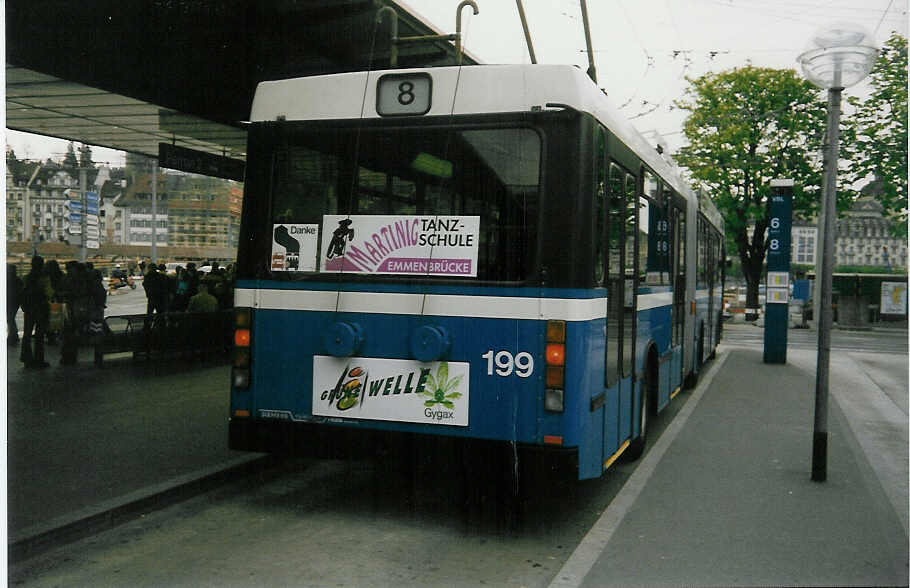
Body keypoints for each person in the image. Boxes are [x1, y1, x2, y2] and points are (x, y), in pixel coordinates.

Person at [20, 255, 53, 368]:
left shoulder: (26, 277)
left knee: (27, 334)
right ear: (42, 264)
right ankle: (39, 360)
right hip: (41, 308)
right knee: (39, 335)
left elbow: (22, 293)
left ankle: (26, 359)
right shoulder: (45, 278)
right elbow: (49, 293)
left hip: (29, 309)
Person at [7, 264, 22, 345]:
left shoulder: (8, 279)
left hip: (10, 302)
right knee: (11, 319)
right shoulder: (18, 280)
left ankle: (13, 336)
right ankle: (14, 336)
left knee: (10, 319)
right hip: (15, 302)